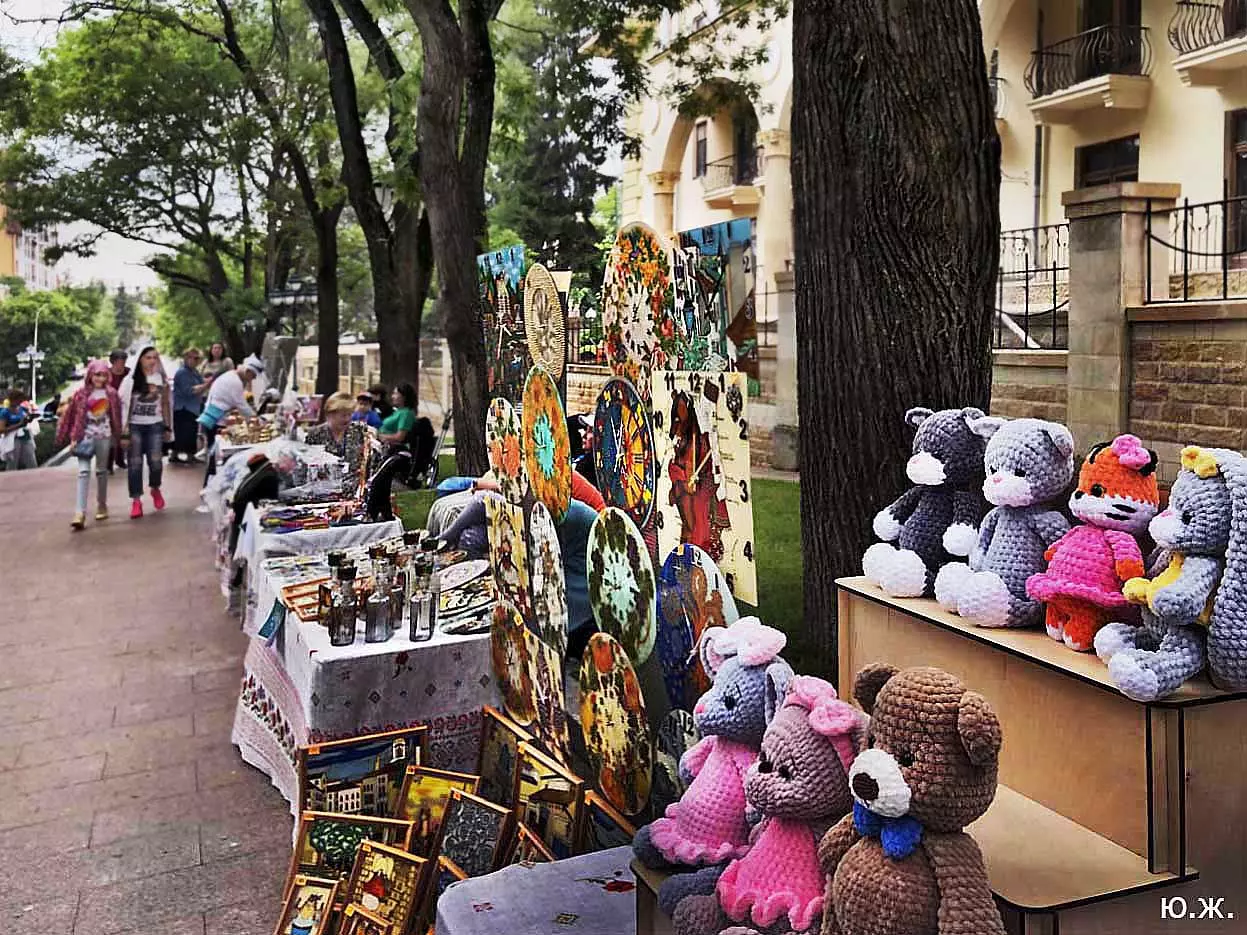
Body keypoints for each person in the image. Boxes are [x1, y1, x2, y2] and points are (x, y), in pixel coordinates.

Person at [57, 360, 123, 529]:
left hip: (104, 435)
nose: (100, 379)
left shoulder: (111, 394)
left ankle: (102, 505)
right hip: (85, 436)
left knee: (101, 471)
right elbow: (72, 416)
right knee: (83, 472)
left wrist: (119, 436)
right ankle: (79, 513)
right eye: (97, 375)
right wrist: (73, 437)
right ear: (90, 375)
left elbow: (116, 416)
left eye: (103, 375)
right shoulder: (81, 394)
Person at [198, 354, 265, 487]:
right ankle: (210, 486)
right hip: (215, 420)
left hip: (213, 417)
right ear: (248, 371)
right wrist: (257, 419)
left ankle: (209, 485)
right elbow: (241, 405)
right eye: (252, 376)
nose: (252, 379)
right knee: (214, 457)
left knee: (213, 456)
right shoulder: (235, 382)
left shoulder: (231, 376)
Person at [122, 346, 172, 518]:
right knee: (135, 464)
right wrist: (124, 432)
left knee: (156, 462)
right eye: (148, 357)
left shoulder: (161, 380)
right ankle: (136, 501)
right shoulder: (131, 381)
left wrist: (167, 426)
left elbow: (165, 404)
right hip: (135, 425)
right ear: (140, 360)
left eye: (155, 357)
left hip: (155, 425)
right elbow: (126, 407)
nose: (152, 361)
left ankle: (155, 488)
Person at [306, 392, 369, 493]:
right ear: (329, 414)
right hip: (323, 491)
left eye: (350, 414)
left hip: (354, 490)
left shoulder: (359, 430)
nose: (347, 419)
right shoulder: (315, 434)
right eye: (343, 415)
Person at [171, 347, 206, 464]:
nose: (193, 360)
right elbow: (188, 391)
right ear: (185, 358)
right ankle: (184, 455)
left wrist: (203, 386)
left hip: (192, 407)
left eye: (196, 358)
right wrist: (204, 386)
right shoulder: (182, 372)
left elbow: (201, 384)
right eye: (190, 357)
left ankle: (184, 455)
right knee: (184, 432)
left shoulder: (195, 372)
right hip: (184, 407)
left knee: (189, 432)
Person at [0, 387, 37, 471]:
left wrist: (29, 419)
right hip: (13, 440)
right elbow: (1, 429)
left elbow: (25, 420)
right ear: (13, 399)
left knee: (32, 462)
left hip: (26, 437)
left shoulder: (22, 409)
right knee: (12, 464)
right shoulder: (5, 412)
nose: (21, 401)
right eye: (19, 399)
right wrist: (18, 425)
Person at [107, 350, 130, 471]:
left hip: (124, 407)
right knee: (111, 436)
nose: (121, 365)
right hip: (110, 408)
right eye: (119, 362)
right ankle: (109, 463)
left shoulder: (128, 373)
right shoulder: (107, 374)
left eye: (123, 362)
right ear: (113, 362)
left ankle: (120, 459)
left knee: (123, 434)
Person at [376, 383, 417, 450]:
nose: (392, 396)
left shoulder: (406, 413)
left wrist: (379, 436)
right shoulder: (398, 411)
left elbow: (399, 437)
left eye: (395, 394)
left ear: (404, 396)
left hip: (392, 448)